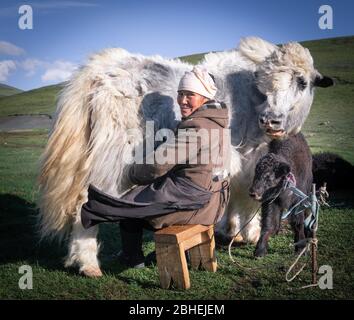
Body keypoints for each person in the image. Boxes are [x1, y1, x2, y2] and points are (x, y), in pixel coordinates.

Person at [81, 66, 231, 268]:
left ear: (204, 97)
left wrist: (131, 174)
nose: (182, 100)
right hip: (214, 201)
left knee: (127, 207)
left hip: (194, 202)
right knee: (141, 202)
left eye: (190, 95)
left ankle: (132, 258)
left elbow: (156, 166)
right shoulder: (218, 124)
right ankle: (173, 255)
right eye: (180, 94)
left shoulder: (196, 126)